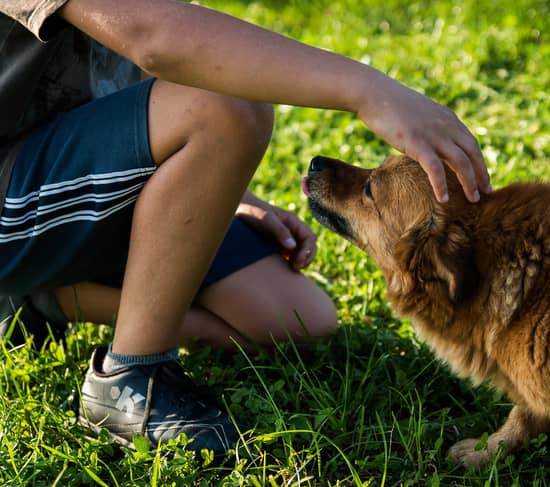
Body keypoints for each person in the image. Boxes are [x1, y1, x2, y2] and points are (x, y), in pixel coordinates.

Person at [0, 0, 491, 455]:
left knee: (294, 319)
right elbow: (154, 38)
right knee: (227, 104)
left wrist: (219, 189)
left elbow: (124, 70)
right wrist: (371, 92)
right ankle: (131, 378)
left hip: (65, 174)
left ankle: (40, 299)